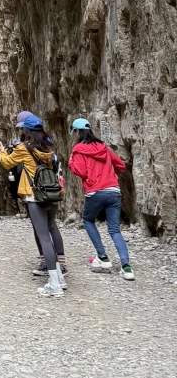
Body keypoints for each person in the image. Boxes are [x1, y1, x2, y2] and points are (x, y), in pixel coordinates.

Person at [0, 116, 66, 297]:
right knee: (50, 231)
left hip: (34, 196)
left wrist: (1, 151)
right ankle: (60, 278)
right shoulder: (49, 148)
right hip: (51, 196)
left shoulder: (23, 148)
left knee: (44, 238)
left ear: (27, 131)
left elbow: (7, 163)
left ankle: (54, 285)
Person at [68, 117, 135, 280]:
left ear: (77, 132)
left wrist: (71, 162)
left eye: (74, 133)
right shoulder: (103, 148)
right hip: (113, 191)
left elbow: (81, 172)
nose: (74, 136)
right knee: (114, 230)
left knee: (88, 219)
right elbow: (120, 166)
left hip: (95, 191)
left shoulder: (78, 150)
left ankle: (103, 258)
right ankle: (126, 268)